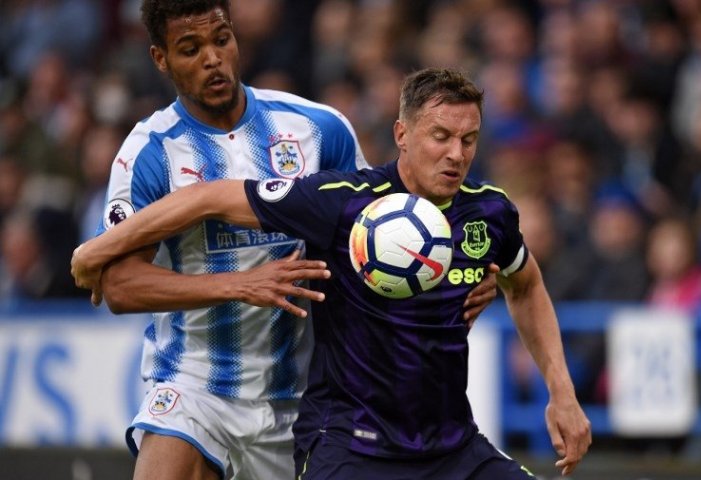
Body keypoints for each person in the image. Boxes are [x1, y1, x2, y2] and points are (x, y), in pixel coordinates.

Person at [73, 67, 590, 478]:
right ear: (402, 134)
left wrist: (562, 394)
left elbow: (526, 285)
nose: (456, 154)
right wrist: (98, 250)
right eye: (441, 136)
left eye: (469, 139)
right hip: (351, 448)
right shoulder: (342, 203)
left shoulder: (490, 213)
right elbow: (207, 197)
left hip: (453, 447)